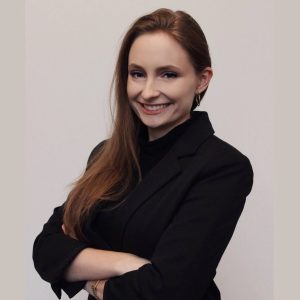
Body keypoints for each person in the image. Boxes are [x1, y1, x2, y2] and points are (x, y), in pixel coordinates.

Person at [32, 8, 254, 300]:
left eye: (168, 75)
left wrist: (89, 280)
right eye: (137, 74)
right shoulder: (105, 155)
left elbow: (167, 290)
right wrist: (127, 264)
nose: (148, 92)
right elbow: (46, 248)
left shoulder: (223, 167)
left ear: (202, 80)